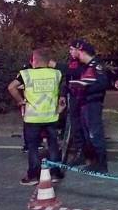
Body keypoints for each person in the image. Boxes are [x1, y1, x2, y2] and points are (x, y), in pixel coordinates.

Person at [8, 48, 66, 185]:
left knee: (33, 147)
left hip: (33, 118)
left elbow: (11, 87)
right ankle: (55, 173)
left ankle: (33, 175)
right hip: (51, 116)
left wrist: (20, 100)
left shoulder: (26, 74)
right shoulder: (56, 74)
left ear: (35, 60)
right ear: (48, 61)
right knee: (53, 145)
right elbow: (61, 90)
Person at [70, 41, 109, 173]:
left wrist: (85, 86)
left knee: (95, 133)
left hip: (93, 103)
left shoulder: (96, 65)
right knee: (88, 134)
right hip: (85, 103)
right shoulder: (87, 66)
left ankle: (102, 164)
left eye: (77, 52)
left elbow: (103, 83)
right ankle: (94, 161)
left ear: (82, 51)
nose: (76, 55)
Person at [50, 39, 89, 165]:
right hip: (73, 97)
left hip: (83, 98)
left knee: (82, 126)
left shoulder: (85, 61)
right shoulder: (72, 61)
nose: (70, 51)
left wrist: (56, 65)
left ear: (79, 50)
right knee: (75, 125)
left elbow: (76, 72)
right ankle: (79, 152)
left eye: (72, 49)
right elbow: (68, 78)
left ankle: (84, 153)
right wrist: (62, 95)